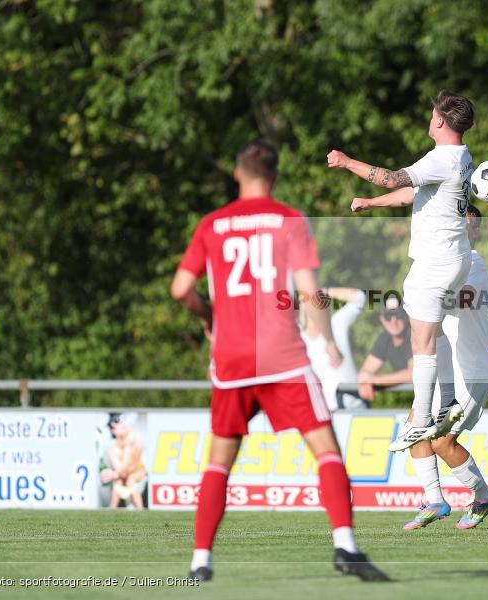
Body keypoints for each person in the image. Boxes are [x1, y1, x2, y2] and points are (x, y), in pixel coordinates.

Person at [170, 140, 387, 582]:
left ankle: (200, 562)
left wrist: (208, 317)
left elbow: (180, 289)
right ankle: (345, 546)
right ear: (275, 176)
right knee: (326, 451)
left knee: (218, 462)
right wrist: (328, 341)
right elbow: (309, 292)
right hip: (282, 357)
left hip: (231, 361)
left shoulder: (212, 224)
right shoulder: (289, 219)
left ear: (237, 174)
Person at [328, 90, 475, 450]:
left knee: (420, 343)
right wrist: (371, 204)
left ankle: (420, 419)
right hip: (455, 258)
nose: (429, 118)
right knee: (436, 334)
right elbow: (414, 194)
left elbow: (393, 179)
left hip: (434, 262)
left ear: (440, 121)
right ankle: (449, 402)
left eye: (432, 114)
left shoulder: (441, 158)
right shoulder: (462, 155)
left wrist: (347, 162)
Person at [402, 205, 488, 530]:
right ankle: (434, 500)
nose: (463, 231)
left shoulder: (473, 261)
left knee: (442, 442)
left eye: (469, 226)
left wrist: (428, 294)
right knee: (415, 426)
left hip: (472, 371)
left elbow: (464, 298)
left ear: (475, 232)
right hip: (448, 372)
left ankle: (484, 497)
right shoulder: (442, 263)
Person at [301, 287, 369, 410]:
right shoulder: (297, 337)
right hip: (320, 412)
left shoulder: (337, 323)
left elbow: (359, 298)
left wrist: (325, 291)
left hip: (354, 407)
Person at [356, 296, 413, 403]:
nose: (393, 321)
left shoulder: (414, 335)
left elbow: (413, 374)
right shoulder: (385, 338)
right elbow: (365, 372)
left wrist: (375, 380)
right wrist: (365, 383)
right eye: (388, 316)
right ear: (382, 319)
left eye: (398, 315)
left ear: (407, 316)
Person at [102, 413, 147, 510]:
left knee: (131, 479)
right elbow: (121, 471)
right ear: (113, 430)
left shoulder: (135, 439)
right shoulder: (112, 449)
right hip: (123, 476)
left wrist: (115, 474)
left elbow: (133, 466)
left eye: (121, 422)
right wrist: (116, 474)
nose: (122, 424)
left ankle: (140, 510)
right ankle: (112, 510)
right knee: (118, 482)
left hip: (138, 473)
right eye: (117, 423)